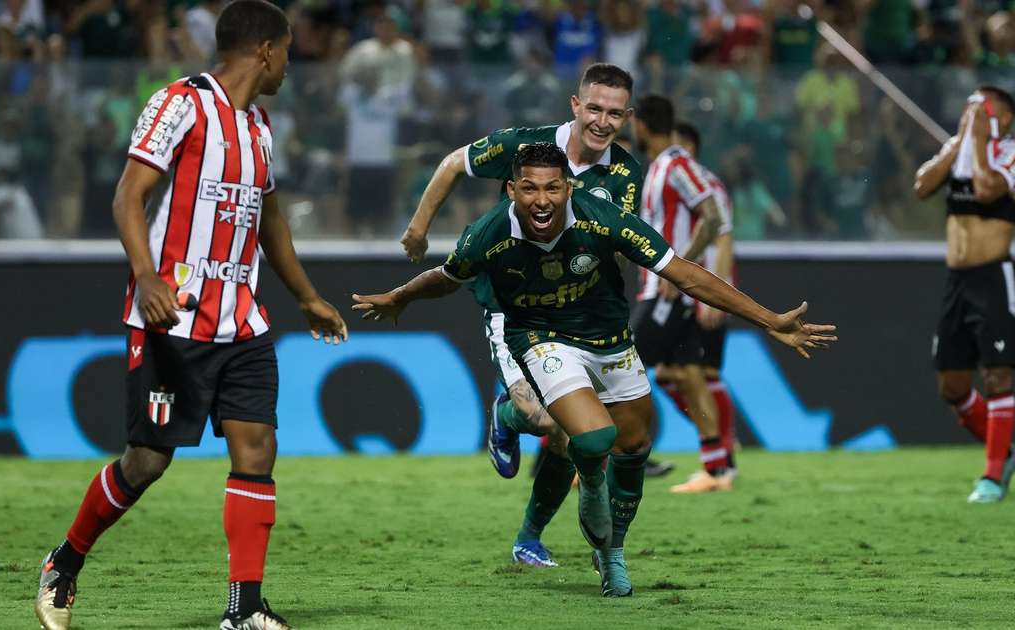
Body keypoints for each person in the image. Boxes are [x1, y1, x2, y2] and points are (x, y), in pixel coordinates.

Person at [354, 142, 835, 597]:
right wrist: (399, 298)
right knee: (593, 439)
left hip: (611, 344)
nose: (541, 200)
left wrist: (770, 319)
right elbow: (445, 277)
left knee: (634, 449)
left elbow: (684, 273)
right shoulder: (489, 234)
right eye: (529, 188)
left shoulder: (604, 220)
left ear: (569, 188)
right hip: (541, 339)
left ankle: (611, 554)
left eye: (551, 188)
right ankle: (586, 489)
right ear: (511, 190)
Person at [34, 3, 349, 629]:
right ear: (264, 50)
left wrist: (306, 296)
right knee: (146, 462)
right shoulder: (178, 103)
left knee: (256, 449)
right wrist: (147, 275)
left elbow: (271, 219)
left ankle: (244, 610)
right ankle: (64, 561)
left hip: (243, 323)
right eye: (286, 50)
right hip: (172, 319)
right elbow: (130, 194)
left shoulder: (258, 126)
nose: (290, 63)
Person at [399, 63, 643, 567]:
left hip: (579, 321)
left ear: (627, 118)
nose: (602, 122)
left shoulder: (623, 173)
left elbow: (615, 244)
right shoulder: (523, 147)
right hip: (514, 309)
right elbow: (450, 164)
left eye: (614, 114)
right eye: (594, 108)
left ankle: (529, 537)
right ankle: (507, 413)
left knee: (568, 433)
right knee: (540, 417)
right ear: (575, 106)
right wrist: (419, 230)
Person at [914, 86, 1015, 504]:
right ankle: (1003, 452)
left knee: (997, 375)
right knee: (952, 386)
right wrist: (958, 145)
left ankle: (991, 476)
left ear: (1001, 116)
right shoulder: (958, 148)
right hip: (956, 280)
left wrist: (978, 140)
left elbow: (985, 190)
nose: (969, 113)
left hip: (992, 278)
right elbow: (922, 185)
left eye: (978, 107)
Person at [630, 98, 736, 495]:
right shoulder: (659, 168)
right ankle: (716, 468)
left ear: (640, 125)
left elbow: (713, 218)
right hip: (666, 293)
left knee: (619, 367)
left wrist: (677, 269)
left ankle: (618, 455)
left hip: (665, 294)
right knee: (690, 377)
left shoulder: (677, 165)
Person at [668, 119, 740, 492]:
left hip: (705, 291)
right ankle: (722, 452)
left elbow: (724, 238)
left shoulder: (706, 185)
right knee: (678, 373)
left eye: (676, 146)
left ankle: (722, 460)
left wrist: (719, 291)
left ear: (690, 149)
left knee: (700, 374)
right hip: (687, 291)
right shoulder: (680, 184)